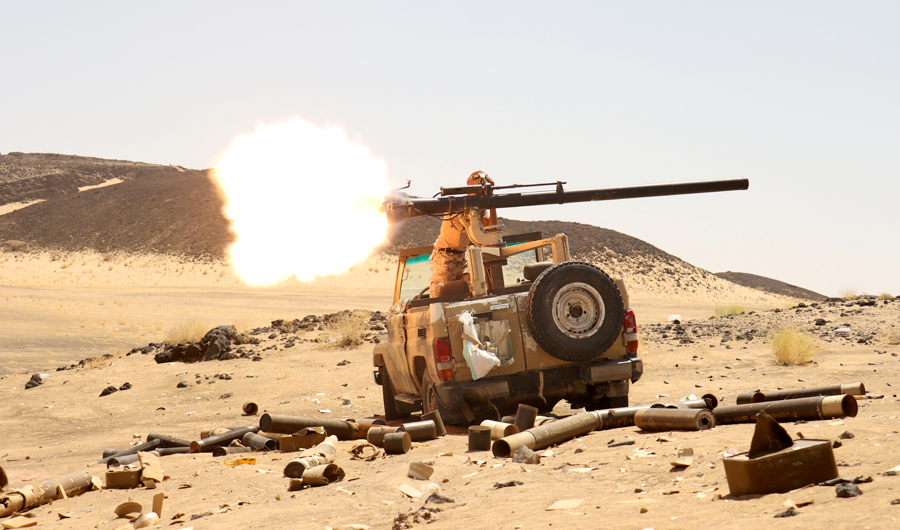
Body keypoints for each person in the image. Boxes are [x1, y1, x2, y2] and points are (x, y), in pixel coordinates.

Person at [429, 171, 497, 297]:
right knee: (438, 296)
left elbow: (490, 226)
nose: (482, 194)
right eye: (481, 190)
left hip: (461, 257)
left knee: (476, 291)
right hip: (444, 256)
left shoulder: (480, 208)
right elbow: (460, 226)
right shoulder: (457, 203)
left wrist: (491, 200)